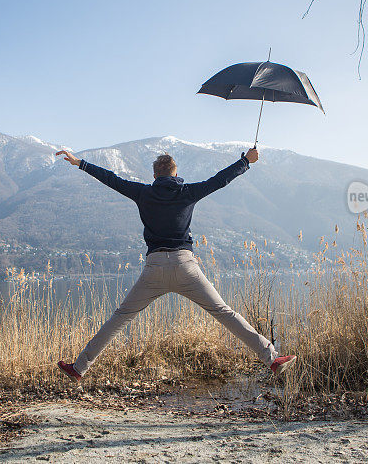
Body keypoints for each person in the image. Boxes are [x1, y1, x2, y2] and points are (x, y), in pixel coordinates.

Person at [53, 147, 296, 383]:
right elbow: (220, 180)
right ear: (175, 173)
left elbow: (110, 179)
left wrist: (79, 163)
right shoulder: (188, 192)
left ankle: (79, 367)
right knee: (224, 313)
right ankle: (271, 359)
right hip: (185, 266)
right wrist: (246, 162)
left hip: (154, 268)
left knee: (120, 318)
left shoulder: (143, 193)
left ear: (155, 175)